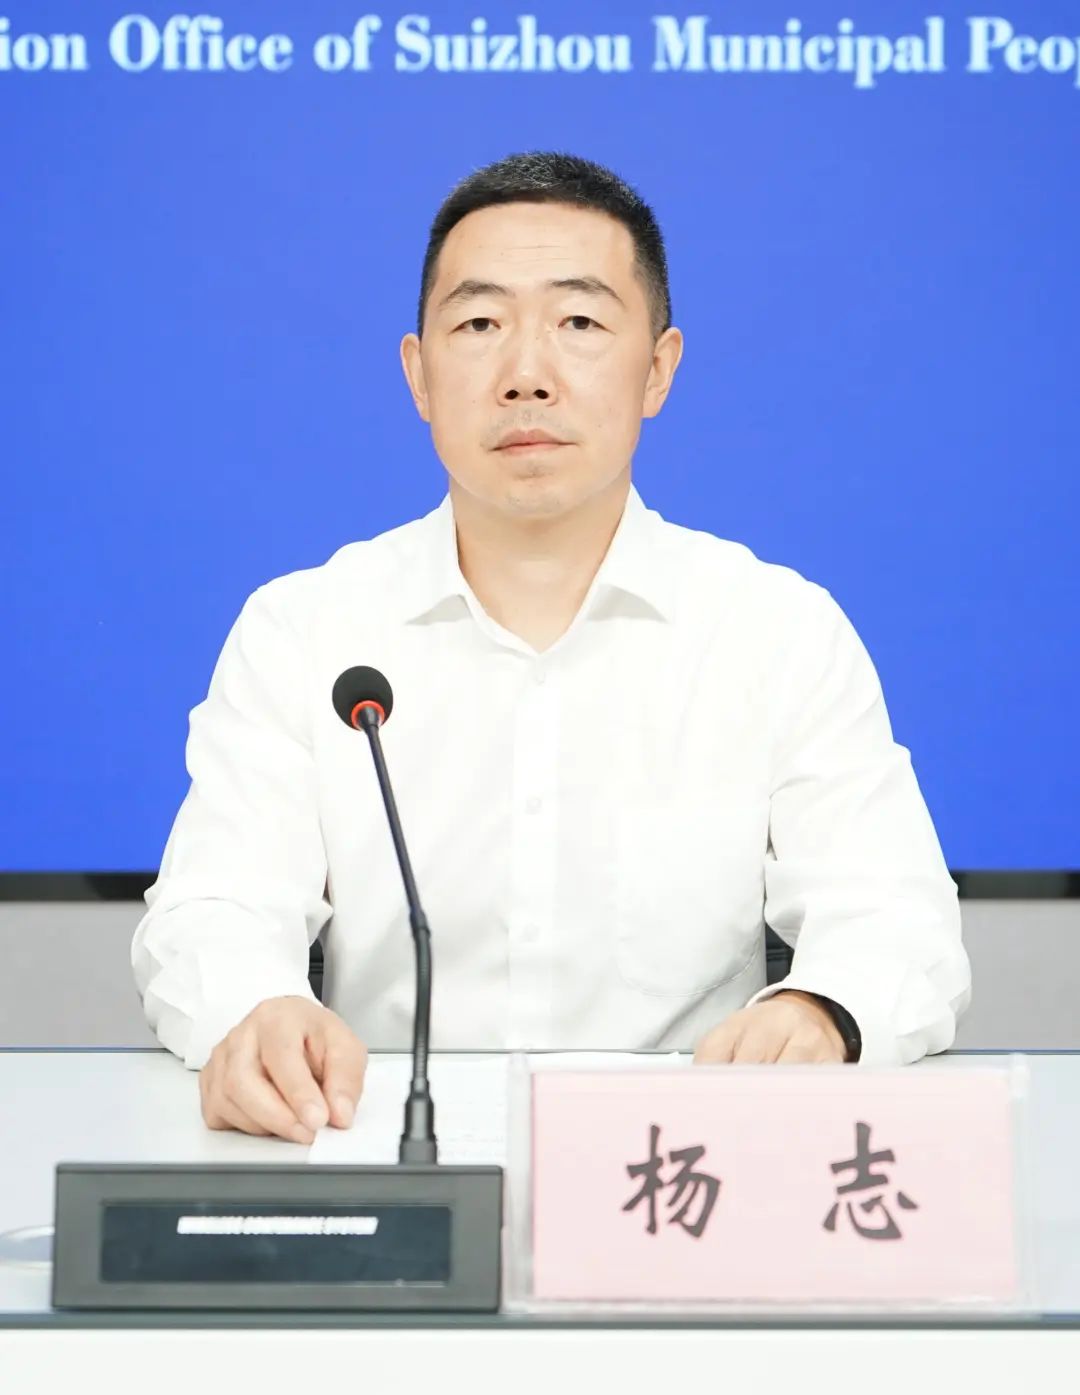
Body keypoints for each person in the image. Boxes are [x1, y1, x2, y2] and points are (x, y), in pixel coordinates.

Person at [132, 151, 971, 1146]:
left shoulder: (776, 631)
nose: (526, 374)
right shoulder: (305, 630)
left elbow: (895, 917)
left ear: (658, 369)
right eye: (480, 325)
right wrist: (257, 1011)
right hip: (382, 1154)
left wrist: (822, 1011)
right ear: (418, 375)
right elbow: (213, 909)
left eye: (578, 323)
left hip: (687, 1170)